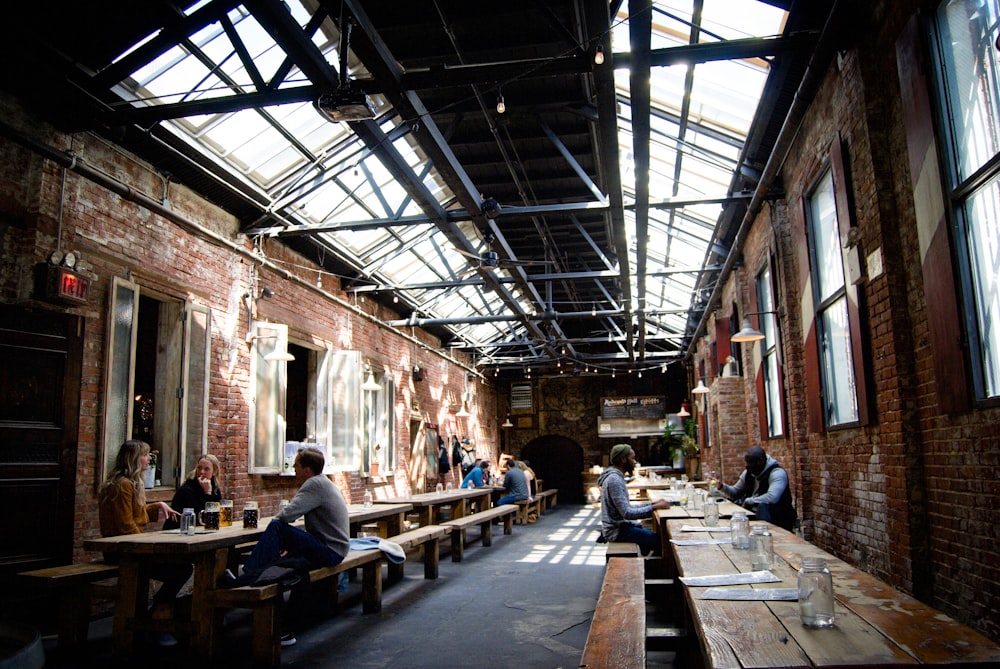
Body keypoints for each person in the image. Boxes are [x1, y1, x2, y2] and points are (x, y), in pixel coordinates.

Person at [231, 446, 349, 646]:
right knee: (289, 561)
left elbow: (286, 516)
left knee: (277, 527)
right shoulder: (323, 482)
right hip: (335, 548)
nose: (293, 468)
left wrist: (280, 532)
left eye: (296, 465)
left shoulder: (314, 484)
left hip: (330, 551)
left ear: (307, 469)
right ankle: (259, 578)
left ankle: (248, 576)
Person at [98, 439, 186, 647]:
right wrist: (150, 547)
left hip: (131, 548)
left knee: (180, 568)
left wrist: (158, 505)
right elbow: (126, 527)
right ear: (134, 459)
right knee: (180, 570)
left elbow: (135, 515)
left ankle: (155, 615)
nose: (149, 459)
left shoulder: (131, 483)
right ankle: (156, 616)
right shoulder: (123, 485)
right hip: (122, 551)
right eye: (146, 455)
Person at [598, 443, 670, 555]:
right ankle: (653, 570)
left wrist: (652, 504)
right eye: (632, 458)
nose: (635, 462)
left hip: (619, 527)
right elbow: (627, 513)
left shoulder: (615, 477)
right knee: (659, 541)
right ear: (623, 459)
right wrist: (653, 507)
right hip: (615, 531)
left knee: (650, 536)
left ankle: (647, 558)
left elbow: (627, 507)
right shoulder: (614, 480)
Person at [722, 446, 797, 531]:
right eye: (746, 462)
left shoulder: (777, 473)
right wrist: (722, 487)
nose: (747, 466)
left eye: (750, 463)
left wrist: (750, 501)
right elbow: (735, 493)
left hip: (777, 518)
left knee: (763, 506)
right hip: (753, 515)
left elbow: (772, 498)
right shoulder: (749, 472)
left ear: (760, 461)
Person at [163, 453, 222, 530]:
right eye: (199, 468)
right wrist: (207, 494)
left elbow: (216, 517)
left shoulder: (215, 489)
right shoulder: (186, 490)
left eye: (206, 469)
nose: (202, 472)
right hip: (178, 531)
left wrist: (209, 492)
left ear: (214, 471)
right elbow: (201, 518)